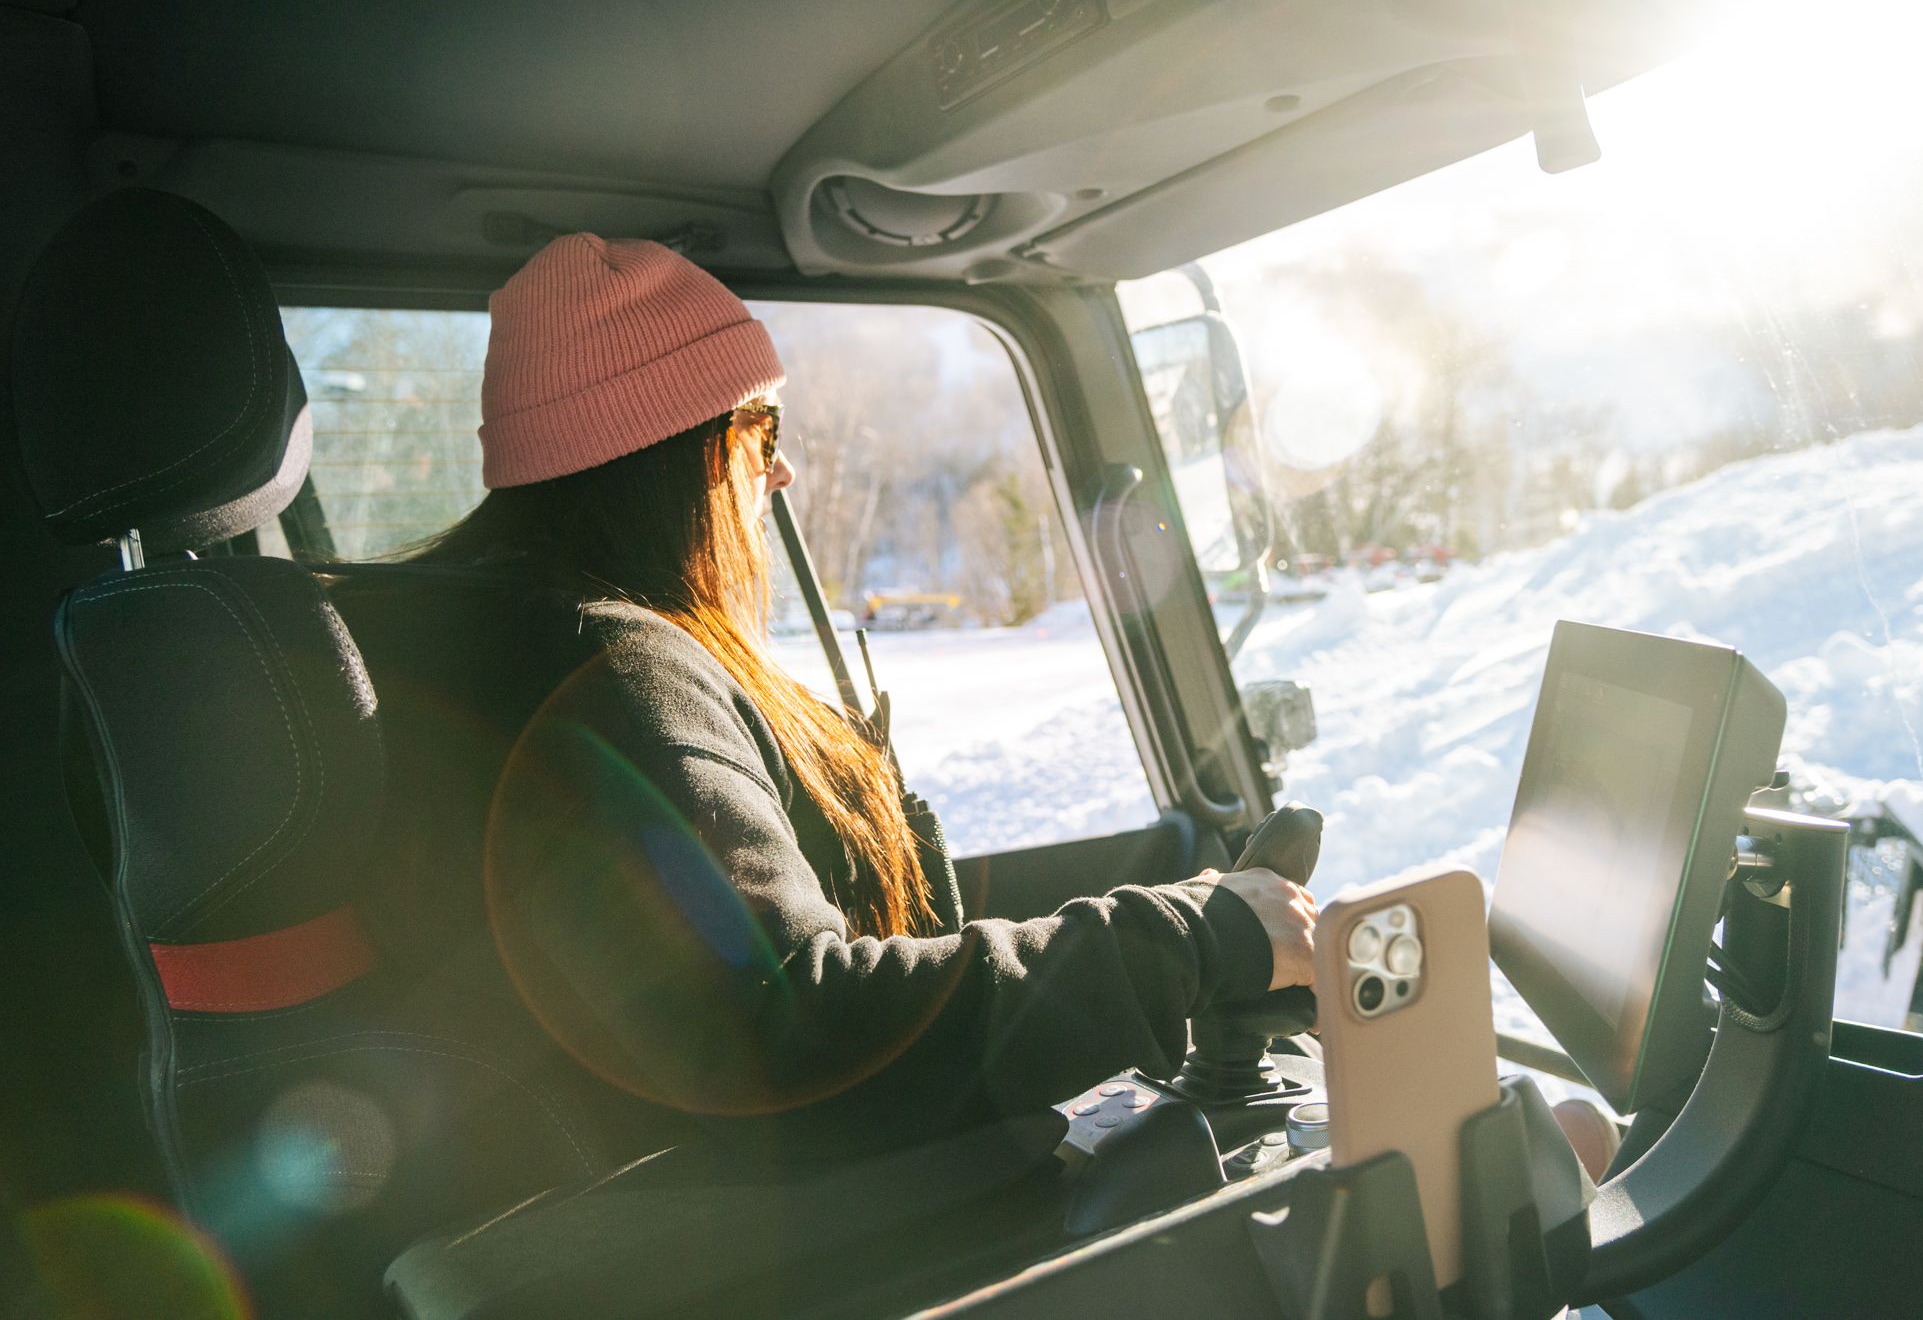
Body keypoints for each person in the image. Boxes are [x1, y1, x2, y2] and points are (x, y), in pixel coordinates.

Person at [331, 233, 1316, 1173]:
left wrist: (1152, 905)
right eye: (764, 429)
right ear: (691, 449)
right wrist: (1194, 939)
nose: (784, 469)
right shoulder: (609, 673)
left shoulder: (480, 642)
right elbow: (788, 1032)